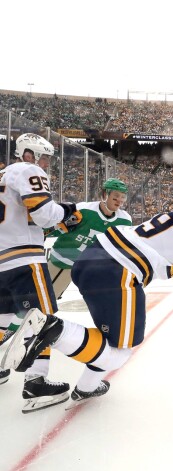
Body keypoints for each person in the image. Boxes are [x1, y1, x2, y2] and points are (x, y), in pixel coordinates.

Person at [1, 190, 173, 408]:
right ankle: (52, 329)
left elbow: (168, 258)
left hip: (92, 258)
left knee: (111, 339)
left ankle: (86, 386)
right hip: (118, 271)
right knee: (121, 351)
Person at [0, 133, 82, 412]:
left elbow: (24, 218)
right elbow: (45, 214)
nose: (46, 164)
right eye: (44, 157)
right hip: (24, 259)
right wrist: (66, 211)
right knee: (41, 320)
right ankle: (36, 383)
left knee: (4, 318)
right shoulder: (28, 170)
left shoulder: (3, 175)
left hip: (1, 261)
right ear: (28, 153)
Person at [47, 178, 132, 299]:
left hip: (87, 267)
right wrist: (52, 229)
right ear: (104, 195)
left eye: (123, 197)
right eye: (115, 196)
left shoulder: (125, 220)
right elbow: (54, 228)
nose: (119, 200)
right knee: (44, 297)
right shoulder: (83, 209)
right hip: (62, 258)